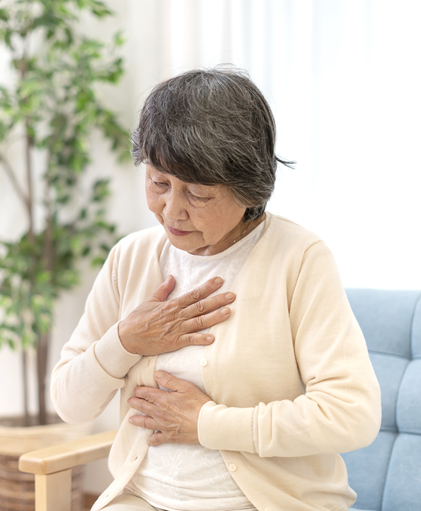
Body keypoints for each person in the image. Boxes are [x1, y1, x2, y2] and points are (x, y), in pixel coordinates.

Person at [51, 67, 381, 511]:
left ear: (249, 189)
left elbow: (352, 415)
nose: (172, 211)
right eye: (159, 183)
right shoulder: (130, 258)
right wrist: (125, 340)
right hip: (143, 498)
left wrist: (207, 423)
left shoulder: (299, 258)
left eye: (198, 195)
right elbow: (69, 404)